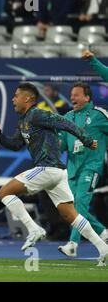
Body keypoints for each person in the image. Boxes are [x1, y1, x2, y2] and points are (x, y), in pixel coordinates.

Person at [0, 82, 108, 266]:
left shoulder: (37, 114)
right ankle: (103, 247)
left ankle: (34, 229)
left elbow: (64, 122)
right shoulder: (24, 121)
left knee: (4, 192)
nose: (13, 99)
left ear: (27, 98)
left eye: (16, 95)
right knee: (71, 215)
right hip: (57, 173)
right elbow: (15, 145)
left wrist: (86, 139)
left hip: (47, 168)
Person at [58, 82, 108, 257]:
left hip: (91, 167)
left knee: (80, 203)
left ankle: (73, 244)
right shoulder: (67, 117)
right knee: (71, 209)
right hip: (72, 171)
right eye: (71, 95)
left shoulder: (99, 115)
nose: (72, 98)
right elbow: (61, 145)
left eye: (77, 94)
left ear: (87, 97)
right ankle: (103, 233)